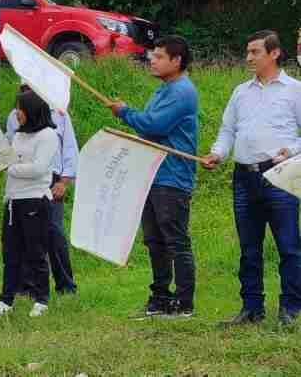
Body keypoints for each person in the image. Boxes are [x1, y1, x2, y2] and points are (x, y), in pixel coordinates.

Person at [205, 30, 301, 327]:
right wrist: (217, 154)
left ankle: (291, 308)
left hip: (279, 177)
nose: (248, 58)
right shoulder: (240, 92)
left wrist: (292, 149)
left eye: (255, 52)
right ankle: (251, 308)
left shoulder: (295, 90)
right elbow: (227, 131)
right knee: (249, 248)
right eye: (247, 52)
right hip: (243, 178)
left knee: (288, 245)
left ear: (274, 53)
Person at [109, 36, 199, 318]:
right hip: (151, 175)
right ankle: (160, 298)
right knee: (154, 241)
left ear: (177, 61)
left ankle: (183, 303)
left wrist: (125, 112)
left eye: (159, 56)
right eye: (153, 55)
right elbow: (148, 129)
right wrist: (133, 119)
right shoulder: (163, 90)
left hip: (172, 177)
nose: (153, 60)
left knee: (175, 241)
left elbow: (154, 125)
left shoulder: (182, 91)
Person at [0, 90, 59, 319]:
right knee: (11, 254)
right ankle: (6, 300)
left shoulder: (48, 136)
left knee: (35, 252)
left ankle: (41, 299)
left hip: (35, 201)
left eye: (21, 108)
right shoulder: (18, 135)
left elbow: (39, 169)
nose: (17, 113)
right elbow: (8, 158)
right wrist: (12, 164)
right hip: (12, 201)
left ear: (32, 110)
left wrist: (12, 167)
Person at [6, 84, 79, 296]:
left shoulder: (59, 113)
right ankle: (28, 286)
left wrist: (64, 182)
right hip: (22, 179)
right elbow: (10, 144)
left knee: (54, 233)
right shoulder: (14, 116)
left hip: (50, 178)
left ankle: (65, 285)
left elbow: (69, 149)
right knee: (25, 235)